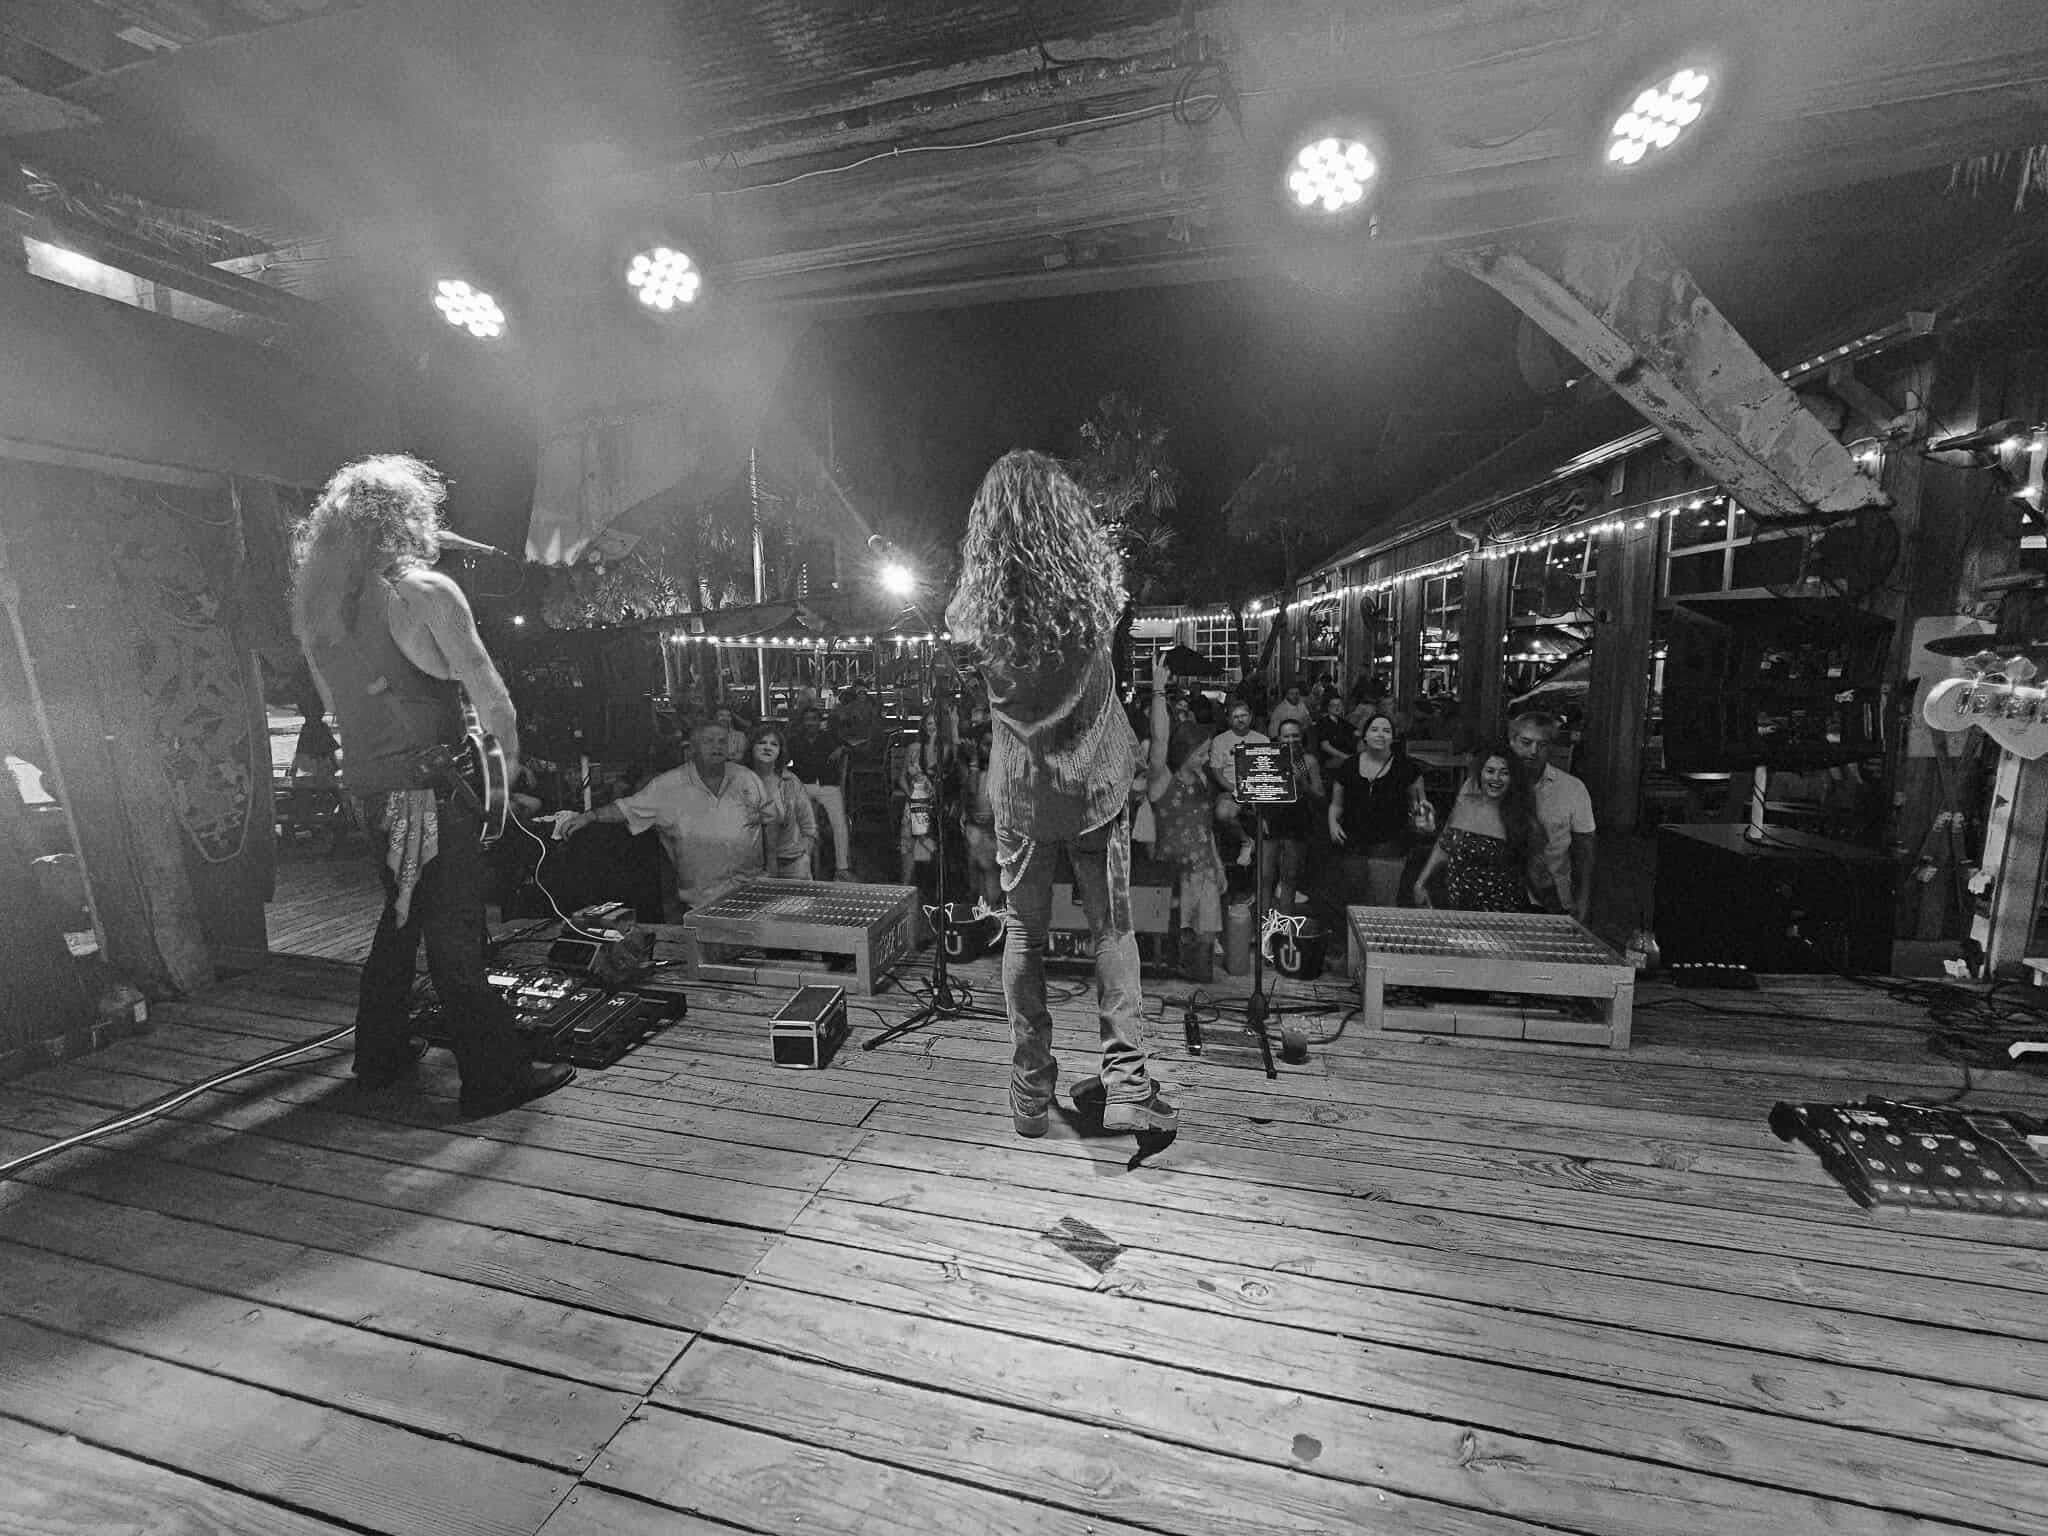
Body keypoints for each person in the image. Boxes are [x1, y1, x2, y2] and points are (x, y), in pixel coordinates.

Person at [290, 454, 574, 1118]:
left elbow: (338, 709)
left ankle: (381, 1054)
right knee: (453, 933)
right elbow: (493, 701)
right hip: (427, 796)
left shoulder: (320, 611)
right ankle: (493, 1078)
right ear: (406, 518)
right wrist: (503, 786)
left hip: (369, 793)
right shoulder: (424, 591)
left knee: (400, 919)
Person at [946, 449, 1175, 1138]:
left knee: (1023, 934)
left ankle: (1029, 1090)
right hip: (1096, 789)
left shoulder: (971, 617)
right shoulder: (1096, 602)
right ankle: (1127, 1085)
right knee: (1112, 931)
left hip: (1021, 795)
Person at [560, 719, 773, 913]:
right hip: (702, 903)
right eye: (708, 741)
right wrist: (590, 816)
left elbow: (770, 822)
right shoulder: (667, 786)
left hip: (752, 895)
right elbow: (627, 808)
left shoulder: (747, 778)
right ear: (692, 749)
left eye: (722, 741)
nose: (716, 747)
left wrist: (772, 872)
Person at [1145, 659, 1225, 980]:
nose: (1205, 758)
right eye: (1200, 753)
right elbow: (1159, 740)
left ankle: (1199, 982)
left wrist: (1218, 864)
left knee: (1205, 945)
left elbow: (1206, 828)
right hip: (1171, 874)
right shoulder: (1162, 780)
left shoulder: (1203, 780)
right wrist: (1158, 690)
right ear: (1184, 751)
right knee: (1173, 946)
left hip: (1204, 870)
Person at [1414, 743, 1537, 912]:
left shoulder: (1522, 818)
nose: (1496, 778)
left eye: (1504, 773)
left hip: (1500, 913)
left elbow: (1537, 873)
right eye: (1490, 771)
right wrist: (1420, 883)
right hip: (1456, 908)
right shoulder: (1465, 803)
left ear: (1513, 778)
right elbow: (1443, 846)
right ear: (1480, 773)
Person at [1327, 712, 1427, 907]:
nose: (1380, 734)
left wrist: (1423, 820)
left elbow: (1420, 805)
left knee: (1383, 903)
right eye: (1374, 729)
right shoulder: (1348, 766)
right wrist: (1332, 822)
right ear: (1364, 736)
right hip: (1353, 844)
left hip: (1390, 846)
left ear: (1393, 737)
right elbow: (1337, 804)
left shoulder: (1407, 768)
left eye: (1386, 731)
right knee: (1354, 903)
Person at [1509, 710, 1596, 922]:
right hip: (1500, 894)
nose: (1533, 751)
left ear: (1551, 748)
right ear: (1511, 742)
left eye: (1542, 744)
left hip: (1553, 898)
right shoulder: (1492, 781)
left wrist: (1583, 898)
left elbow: (1585, 848)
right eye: (1526, 743)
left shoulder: (1573, 789)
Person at [1258, 717, 1325, 914]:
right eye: (1286, 736)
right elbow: (1258, 793)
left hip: (1297, 825)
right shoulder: (1267, 758)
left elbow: (1320, 796)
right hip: (1271, 822)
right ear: (1278, 738)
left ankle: (1284, 925)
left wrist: (1301, 781)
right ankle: (1264, 925)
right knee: (1265, 877)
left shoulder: (1308, 761)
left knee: (1289, 878)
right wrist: (1261, 818)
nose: (1291, 739)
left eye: (1295, 735)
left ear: (1301, 737)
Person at [786, 704, 854, 880]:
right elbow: (783, 760)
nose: (810, 723)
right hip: (803, 787)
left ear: (819, 722)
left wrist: (841, 749)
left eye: (814, 719)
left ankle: (842, 868)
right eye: (807, 720)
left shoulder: (829, 737)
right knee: (795, 822)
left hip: (828, 786)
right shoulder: (794, 740)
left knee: (839, 823)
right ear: (802, 722)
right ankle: (800, 864)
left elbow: (851, 748)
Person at [745, 722, 816, 879]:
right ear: (751, 748)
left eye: (774, 744)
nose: (767, 747)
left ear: (780, 751)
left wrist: (805, 855)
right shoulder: (740, 780)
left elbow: (809, 826)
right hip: (752, 866)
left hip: (792, 862)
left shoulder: (790, 781)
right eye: (762, 742)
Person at [1205, 700, 1268, 868]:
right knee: (1223, 813)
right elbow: (1217, 774)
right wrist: (1237, 790)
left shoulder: (1262, 739)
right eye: (1235, 716)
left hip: (1260, 790)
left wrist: (1255, 793)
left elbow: (1268, 770)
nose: (1240, 719)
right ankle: (1246, 842)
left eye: (1244, 715)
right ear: (1229, 719)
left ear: (1251, 717)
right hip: (1231, 790)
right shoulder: (1220, 740)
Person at [896, 708, 948, 891]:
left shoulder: (943, 750)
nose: (932, 727)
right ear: (924, 726)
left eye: (936, 724)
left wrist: (934, 742)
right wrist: (910, 795)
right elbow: (901, 777)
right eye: (929, 723)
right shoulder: (914, 748)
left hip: (932, 803)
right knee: (907, 844)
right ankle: (905, 887)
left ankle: (930, 888)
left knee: (926, 844)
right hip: (914, 799)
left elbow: (935, 771)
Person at [1313, 690, 1357, 770]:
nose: (1337, 707)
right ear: (1328, 708)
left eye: (1339, 705)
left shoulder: (1342, 722)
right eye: (1333, 705)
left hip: (1347, 755)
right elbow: (1325, 747)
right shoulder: (1322, 723)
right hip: (1331, 759)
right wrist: (1346, 757)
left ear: (1342, 707)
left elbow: (1357, 732)